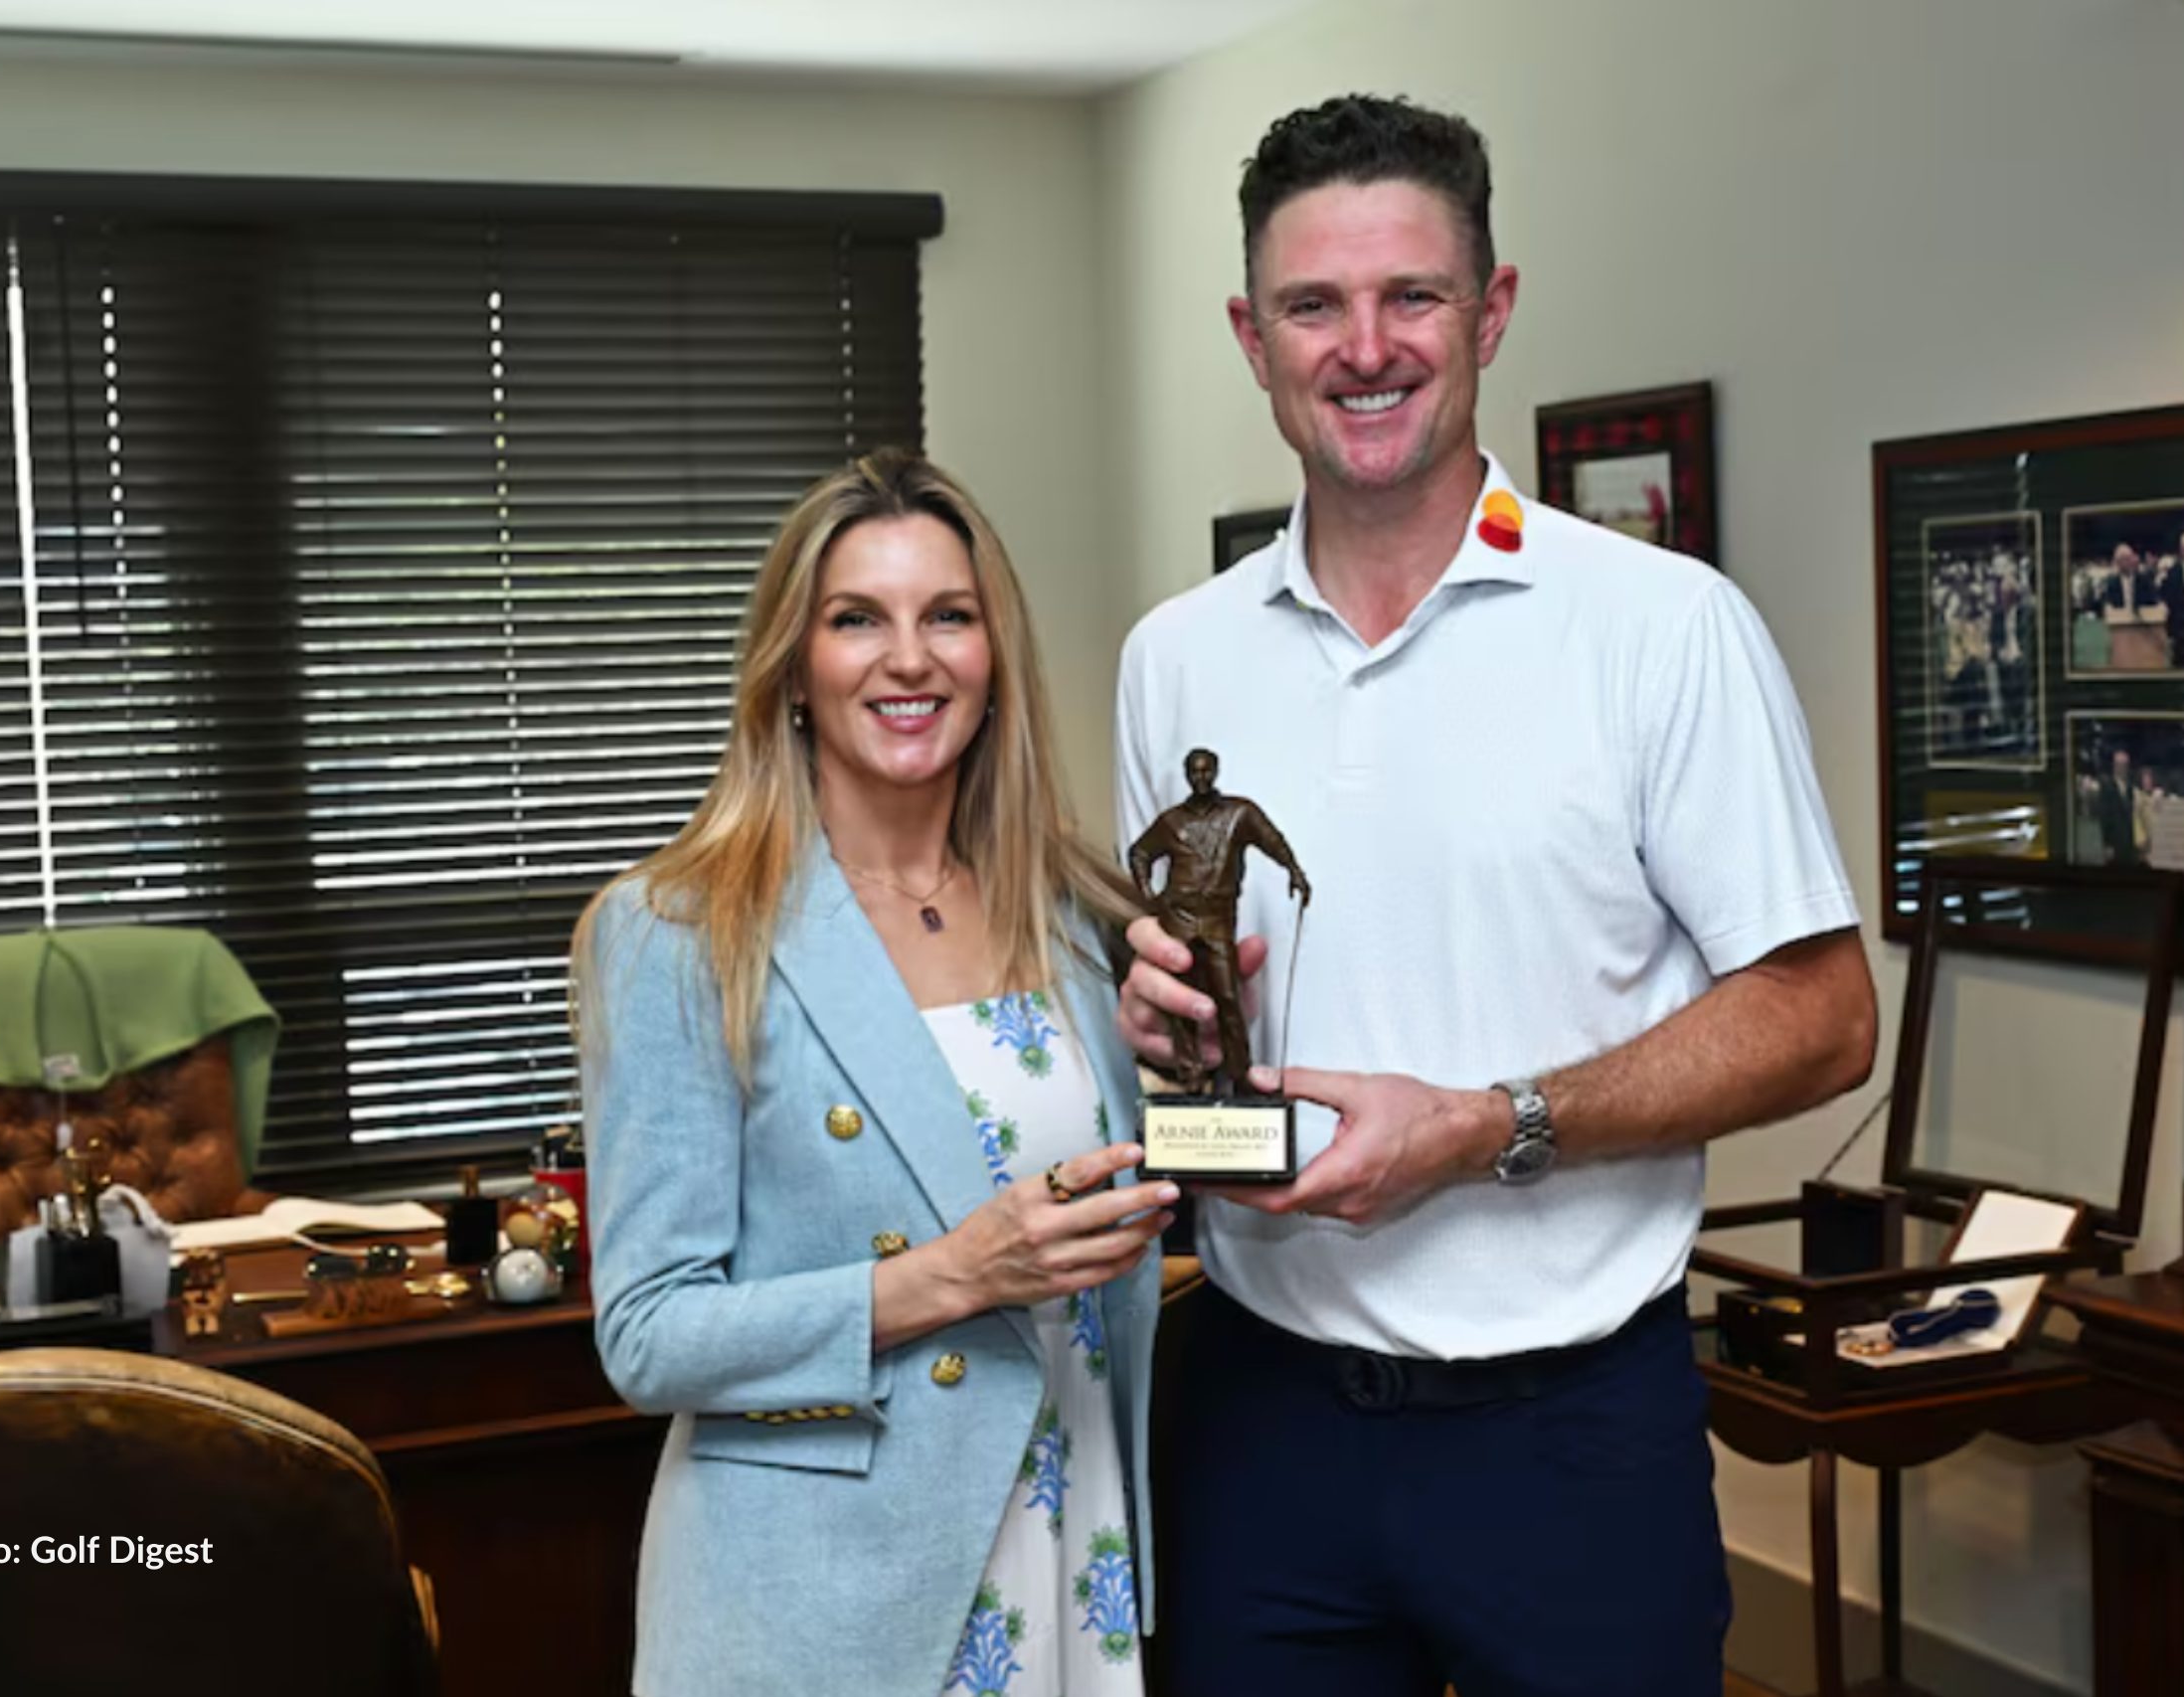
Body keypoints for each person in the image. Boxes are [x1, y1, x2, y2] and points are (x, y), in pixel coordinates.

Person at [1112, 96, 1876, 1696]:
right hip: (1264, 1423)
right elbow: (1190, 998)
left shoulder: (1661, 627)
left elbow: (1823, 1017)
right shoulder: (1176, 654)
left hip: (1572, 1432)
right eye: (1314, 305)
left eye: (1414, 296)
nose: (1365, 346)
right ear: (1253, 337)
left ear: (1494, 309)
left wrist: (1488, 1122)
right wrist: (1155, 1012)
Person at [581, 449, 1175, 1697]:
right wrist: (950, 1277)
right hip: (830, 1599)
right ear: (793, 667)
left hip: (1069, 1543)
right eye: (859, 620)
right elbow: (648, 1336)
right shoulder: (683, 929)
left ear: (994, 656)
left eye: (947, 617)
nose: (910, 659)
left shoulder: (1074, 913)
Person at [1124, 748, 1310, 1093]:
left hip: (1218, 918)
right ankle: (1190, 1073)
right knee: (1181, 998)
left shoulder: (1239, 814)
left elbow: (1272, 840)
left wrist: (1293, 870)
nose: (1201, 778)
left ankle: (1240, 1074)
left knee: (1226, 995)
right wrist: (1148, 895)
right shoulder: (1173, 822)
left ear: (1215, 772)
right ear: (1186, 775)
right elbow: (1140, 853)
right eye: (1194, 772)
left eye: (1206, 771)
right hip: (1179, 917)